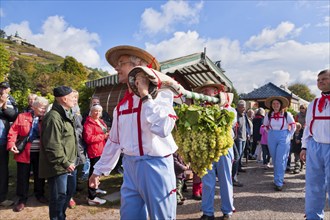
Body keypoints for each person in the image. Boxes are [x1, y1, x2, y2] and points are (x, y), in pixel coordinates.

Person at [89, 45, 178, 219]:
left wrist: (145, 95)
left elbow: (163, 128)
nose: (116, 68)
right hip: (129, 166)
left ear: (138, 68)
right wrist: (98, 170)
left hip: (156, 166)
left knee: (162, 217)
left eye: (121, 63)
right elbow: (114, 141)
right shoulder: (121, 106)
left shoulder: (161, 94)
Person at [195, 81, 235, 220]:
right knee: (207, 182)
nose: (205, 92)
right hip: (207, 149)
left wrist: (220, 105)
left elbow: (231, 121)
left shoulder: (228, 108)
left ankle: (227, 211)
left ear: (216, 91)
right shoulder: (199, 108)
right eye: (203, 90)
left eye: (208, 89)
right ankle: (207, 212)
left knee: (225, 180)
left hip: (224, 148)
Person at [39, 86, 77, 220]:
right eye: (73, 97)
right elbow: (52, 145)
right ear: (64, 98)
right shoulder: (53, 117)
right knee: (58, 196)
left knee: (68, 192)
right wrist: (65, 162)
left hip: (69, 164)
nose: (75, 99)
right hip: (58, 166)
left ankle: (62, 216)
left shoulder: (66, 113)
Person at [7, 96, 49, 212]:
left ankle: (39, 194)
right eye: (41, 107)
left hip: (40, 152)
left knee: (39, 175)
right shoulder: (22, 117)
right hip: (24, 152)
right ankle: (22, 199)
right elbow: (13, 131)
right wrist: (11, 144)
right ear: (34, 107)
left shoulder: (46, 119)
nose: (43, 110)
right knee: (23, 176)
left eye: (45, 108)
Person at [300, 69, 330, 220]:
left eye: (324, 79)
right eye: (318, 80)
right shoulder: (313, 103)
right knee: (313, 185)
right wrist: (304, 146)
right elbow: (307, 126)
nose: (320, 82)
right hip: (315, 145)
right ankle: (313, 216)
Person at [263, 96, 296, 191]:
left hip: (283, 135)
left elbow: (293, 125)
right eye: (273, 104)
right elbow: (265, 125)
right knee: (275, 158)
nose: (275, 105)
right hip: (272, 136)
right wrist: (270, 133)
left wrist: (289, 135)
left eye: (277, 103)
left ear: (281, 105)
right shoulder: (269, 115)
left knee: (280, 159)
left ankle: (278, 182)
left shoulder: (287, 114)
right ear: (271, 105)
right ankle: (279, 177)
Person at [83, 104, 108, 206]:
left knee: (98, 172)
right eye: (95, 111)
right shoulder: (88, 123)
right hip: (95, 151)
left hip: (102, 149)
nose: (97, 113)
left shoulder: (100, 121)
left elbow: (104, 131)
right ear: (91, 112)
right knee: (93, 173)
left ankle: (96, 188)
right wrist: (103, 136)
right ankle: (91, 197)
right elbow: (89, 139)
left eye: (99, 111)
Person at [68, 90, 87, 209]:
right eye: (73, 97)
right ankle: (67, 196)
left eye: (76, 98)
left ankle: (71, 194)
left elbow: (80, 127)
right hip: (67, 145)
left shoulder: (77, 111)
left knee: (74, 170)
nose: (75, 100)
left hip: (77, 145)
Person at [0, 87, 18, 207]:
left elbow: (13, 116)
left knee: (2, 170)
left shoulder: (8, 102)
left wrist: (4, 105)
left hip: (1, 142)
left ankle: (2, 198)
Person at [232, 100, 250, 187]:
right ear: (238, 107)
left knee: (240, 155)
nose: (243, 109)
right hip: (237, 138)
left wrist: (247, 133)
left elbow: (246, 125)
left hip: (243, 137)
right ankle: (234, 175)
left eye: (244, 107)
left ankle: (238, 168)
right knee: (237, 156)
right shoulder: (234, 114)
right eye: (242, 107)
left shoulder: (244, 114)